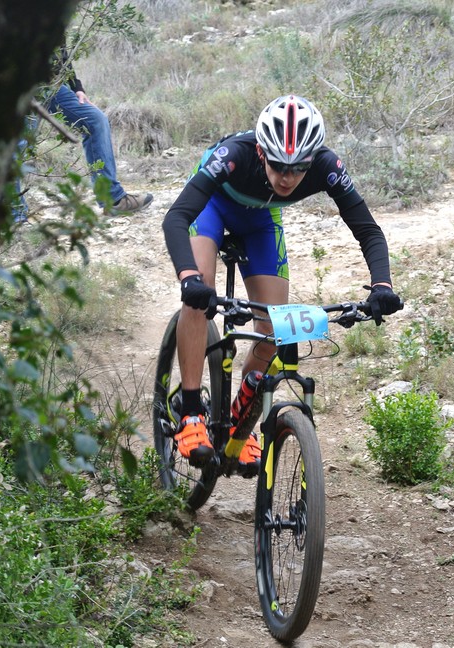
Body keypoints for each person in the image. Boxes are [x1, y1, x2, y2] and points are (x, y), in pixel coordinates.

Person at [162, 94, 403, 471]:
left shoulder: (326, 166)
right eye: (278, 165)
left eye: (299, 168)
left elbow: (368, 230)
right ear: (261, 152)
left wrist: (382, 285)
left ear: (312, 158)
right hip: (212, 207)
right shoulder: (233, 155)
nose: (287, 178)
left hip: (261, 218)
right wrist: (189, 278)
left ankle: (240, 425)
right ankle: (191, 412)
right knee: (199, 291)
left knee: (275, 329)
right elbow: (176, 217)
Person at [12, 57, 152, 222]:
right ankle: (13, 217)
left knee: (95, 120)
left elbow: (61, 52)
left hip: (50, 84)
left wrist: (75, 86)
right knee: (15, 147)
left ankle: (113, 200)